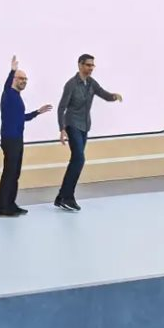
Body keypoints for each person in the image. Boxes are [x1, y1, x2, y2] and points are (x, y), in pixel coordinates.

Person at [55, 54, 122, 211]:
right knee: (79, 159)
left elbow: (103, 94)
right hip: (72, 124)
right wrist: (62, 128)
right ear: (80, 65)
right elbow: (61, 107)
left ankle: (61, 197)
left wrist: (114, 96)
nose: (91, 68)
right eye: (88, 65)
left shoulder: (91, 83)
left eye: (92, 65)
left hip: (85, 126)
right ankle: (68, 197)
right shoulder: (71, 84)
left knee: (76, 160)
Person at [0, 56, 52, 217]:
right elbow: (7, 85)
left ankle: (11, 204)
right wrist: (12, 70)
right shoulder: (8, 93)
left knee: (15, 173)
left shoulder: (17, 97)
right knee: (9, 173)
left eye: (26, 79)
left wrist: (37, 112)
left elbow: (21, 118)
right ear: (14, 80)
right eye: (21, 78)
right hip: (10, 139)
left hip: (17, 139)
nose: (24, 81)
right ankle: (2, 207)